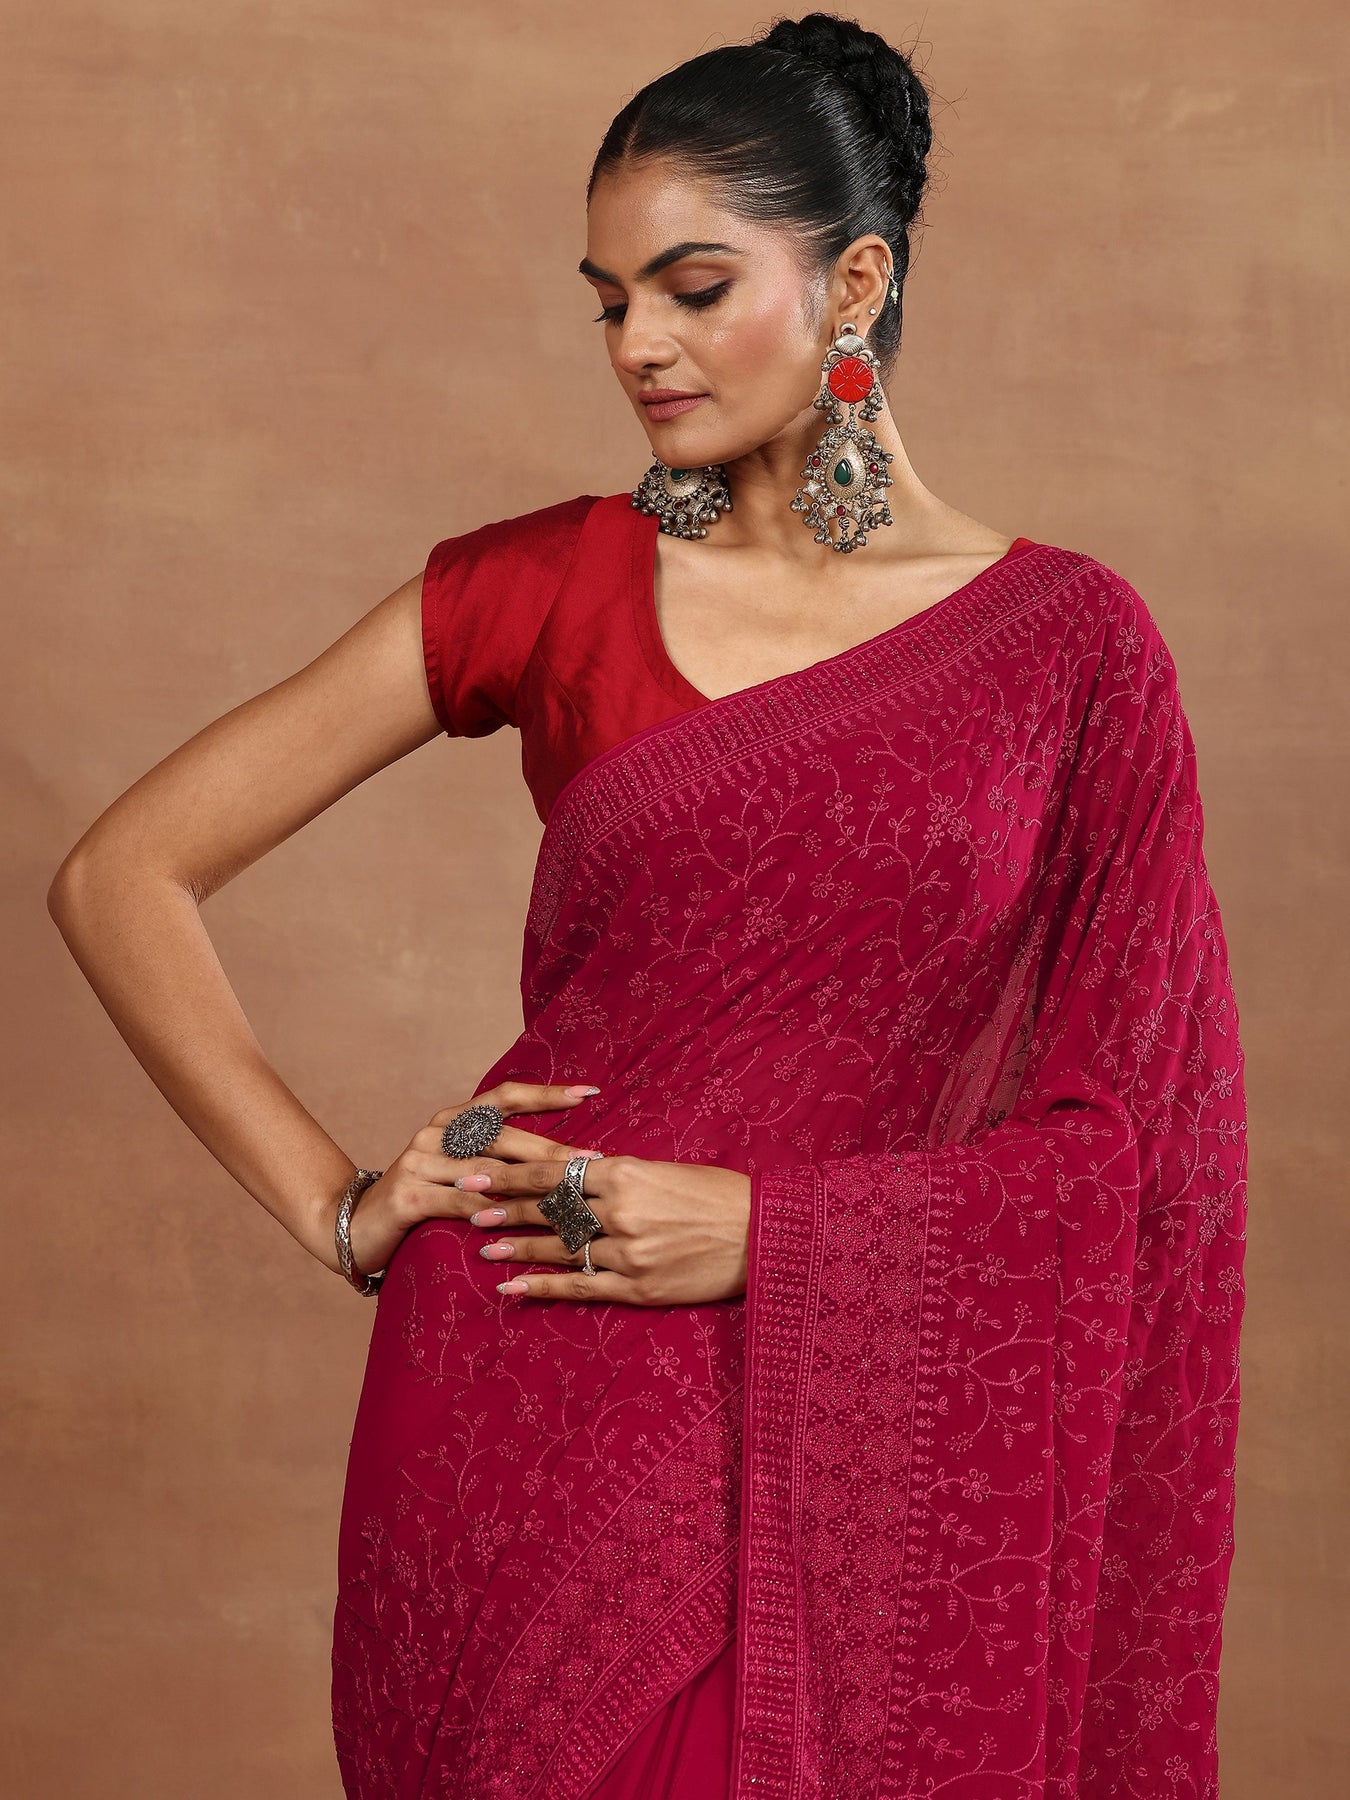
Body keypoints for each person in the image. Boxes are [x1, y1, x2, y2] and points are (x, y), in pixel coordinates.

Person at [47, 12, 1248, 1799]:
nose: (637, 347)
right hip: (528, 1381)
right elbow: (120, 872)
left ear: (853, 284)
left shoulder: (1071, 649)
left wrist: (777, 1232)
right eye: (608, 302)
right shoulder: (543, 585)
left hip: (865, 1448)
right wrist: (343, 1208)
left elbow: (1136, 1155)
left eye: (692, 290)